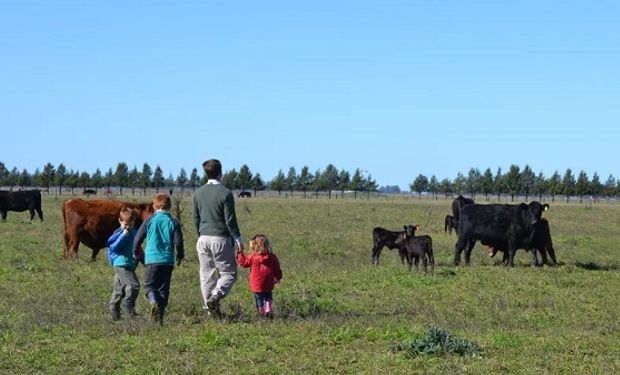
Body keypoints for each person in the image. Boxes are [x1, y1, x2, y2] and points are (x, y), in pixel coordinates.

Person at [192, 159, 245, 318]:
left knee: (206, 275)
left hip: (203, 238)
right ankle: (216, 296)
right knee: (229, 274)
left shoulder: (198, 193)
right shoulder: (225, 193)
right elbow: (230, 220)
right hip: (220, 238)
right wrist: (238, 238)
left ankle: (211, 311)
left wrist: (200, 234)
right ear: (220, 172)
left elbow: (195, 218)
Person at [133, 193, 184, 326]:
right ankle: (159, 319)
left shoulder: (149, 220)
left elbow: (138, 238)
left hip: (152, 260)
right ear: (170, 206)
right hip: (167, 261)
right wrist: (180, 255)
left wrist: (135, 251)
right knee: (163, 289)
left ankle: (152, 301)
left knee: (150, 286)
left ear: (154, 206)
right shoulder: (173, 221)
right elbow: (178, 242)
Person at [237, 234, 283, 319]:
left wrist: (240, 253)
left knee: (259, 298)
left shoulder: (253, 257)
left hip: (257, 283)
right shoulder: (272, 257)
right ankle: (268, 307)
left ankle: (261, 311)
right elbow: (277, 269)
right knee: (268, 295)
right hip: (269, 282)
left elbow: (243, 263)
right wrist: (278, 277)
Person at [107, 207, 140, 321]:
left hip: (130, 264)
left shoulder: (135, 232)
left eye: (130, 224)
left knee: (118, 290)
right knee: (133, 285)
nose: (128, 227)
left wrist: (143, 260)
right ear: (120, 221)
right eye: (125, 224)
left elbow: (138, 247)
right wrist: (123, 234)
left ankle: (114, 313)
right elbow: (114, 247)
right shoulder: (118, 233)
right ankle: (128, 305)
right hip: (121, 263)